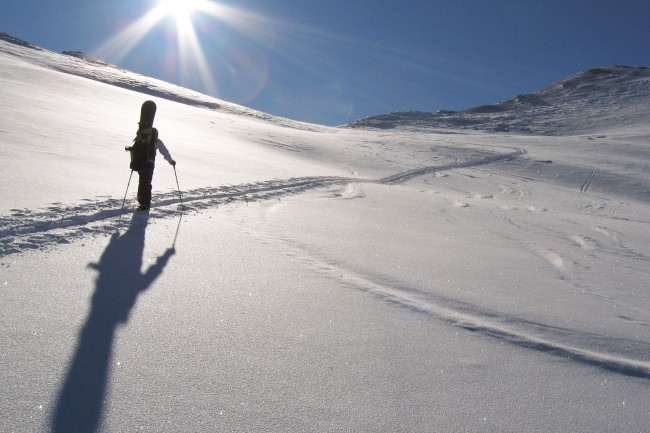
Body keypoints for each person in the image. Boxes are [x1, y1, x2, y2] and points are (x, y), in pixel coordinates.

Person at [137, 127, 176, 211]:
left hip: (140, 162)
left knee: (142, 181)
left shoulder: (142, 139)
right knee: (147, 182)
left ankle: (141, 200)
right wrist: (171, 161)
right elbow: (164, 152)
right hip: (150, 163)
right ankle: (145, 203)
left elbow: (135, 149)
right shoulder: (157, 141)